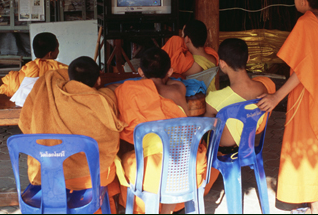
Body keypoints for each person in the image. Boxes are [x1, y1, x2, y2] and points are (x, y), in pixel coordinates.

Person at [257, 0, 318, 214]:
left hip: (307, 93)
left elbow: (305, 69)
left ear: (304, 2)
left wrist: (276, 97)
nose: (293, 0)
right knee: (316, 148)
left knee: (303, 146)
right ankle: (313, 203)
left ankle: (314, 206)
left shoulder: (306, 22)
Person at [19, 56, 125, 213]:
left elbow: (25, 123)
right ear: (98, 80)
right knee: (111, 168)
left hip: (49, 175)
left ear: (69, 78)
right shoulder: (104, 100)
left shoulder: (49, 90)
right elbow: (111, 140)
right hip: (91, 177)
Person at [114, 47, 208, 214]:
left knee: (125, 159)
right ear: (170, 71)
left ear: (140, 71)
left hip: (152, 171)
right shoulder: (178, 89)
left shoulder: (127, 90)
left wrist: (144, 84)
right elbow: (170, 83)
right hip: (187, 166)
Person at [204, 38, 276, 149]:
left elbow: (207, 127)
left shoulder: (213, 98)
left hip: (226, 144)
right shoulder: (263, 88)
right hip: (249, 140)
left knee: (207, 123)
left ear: (222, 63)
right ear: (248, 59)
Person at [0, 32, 67, 97]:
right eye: (57, 48)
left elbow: (10, 87)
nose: (58, 51)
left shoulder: (28, 67)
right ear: (50, 54)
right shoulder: (61, 68)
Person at [161, 19, 219, 92]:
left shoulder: (193, 65)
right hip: (212, 94)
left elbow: (173, 67)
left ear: (187, 39)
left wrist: (181, 39)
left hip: (198, 99)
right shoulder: (213, 57)